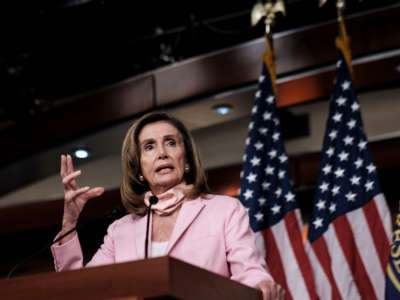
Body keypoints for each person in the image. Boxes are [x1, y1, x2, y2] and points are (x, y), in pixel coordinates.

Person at [51, 112, 285, 300]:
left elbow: (250, 272)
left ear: (186, 160)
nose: (162, 153)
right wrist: (69, 222)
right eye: (149, 147)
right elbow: (81, 290)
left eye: (170, 143)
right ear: (139, 169)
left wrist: (261, 285)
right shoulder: (119, 230)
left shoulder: (225, 210)